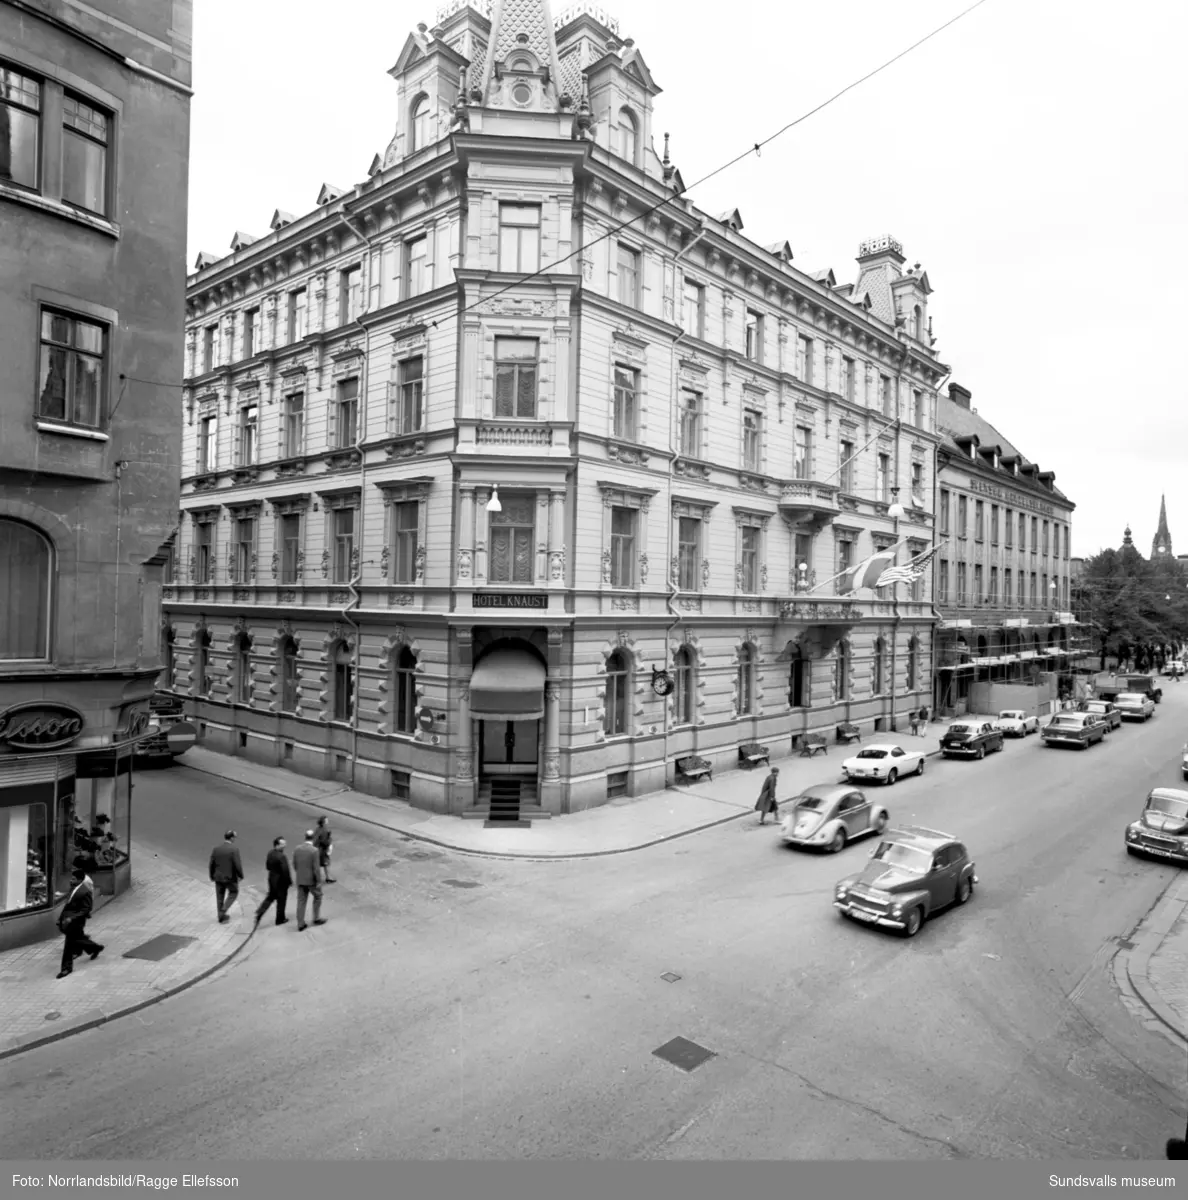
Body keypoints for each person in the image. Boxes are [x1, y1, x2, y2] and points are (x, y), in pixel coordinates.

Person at [56, 867, 103, 979]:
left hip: (76, 922)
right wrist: (61, 917)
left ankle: (66, 968)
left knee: (69, 944)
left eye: (73, 879)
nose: (70, 880)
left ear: (79, 880)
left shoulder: (85, 891)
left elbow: (86, 909)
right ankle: (95, 948)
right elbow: (68, 905)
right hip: (69, 919)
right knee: (78, 939)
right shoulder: (74, 888)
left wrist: (72, 918)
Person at [293, 830, 326, 931]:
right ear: (313, 838)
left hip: (300, 879)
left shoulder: (297, 849)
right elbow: (316, 868)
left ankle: (300, 924)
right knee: (318, 897)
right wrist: (319, 881)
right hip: (311, 881)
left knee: (301, 901)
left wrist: (300, 873)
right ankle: (316, 918)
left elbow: (294, 864)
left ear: (305, 837)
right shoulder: (314, 851)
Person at [255, 837, 292, 927]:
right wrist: (289, 881)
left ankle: (260, 912)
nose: (285, 846)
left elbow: (267, 866)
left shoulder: (270, 853)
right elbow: (285, 871)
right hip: (281, 882)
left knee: (271, 897)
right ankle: (280, 919)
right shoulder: (282, 856)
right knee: (281, 900)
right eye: (283, 844)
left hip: (272, 879)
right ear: (277, 845)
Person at [209, 830, 244, 924]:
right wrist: (240, 875)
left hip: (218, 877)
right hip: (230, 877)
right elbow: (237, 864)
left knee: (219, 896)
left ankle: (220, 917)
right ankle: (223, 911)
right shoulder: (234, 849)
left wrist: (212, 875)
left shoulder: (216, 849)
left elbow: (211, 864)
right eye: (234, 837)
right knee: (234, 892)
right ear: (231, 838)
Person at [313, 815, 336, 883]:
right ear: (324, 822)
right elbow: (324, 841)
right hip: (322, 849)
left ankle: (317, 877)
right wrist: (329, 841)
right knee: (326, 863)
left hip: (317, 848)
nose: (328, 821)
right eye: (326, 820)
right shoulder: (324, 830)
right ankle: (327, 878)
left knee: (318, 863)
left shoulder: (318, 828)